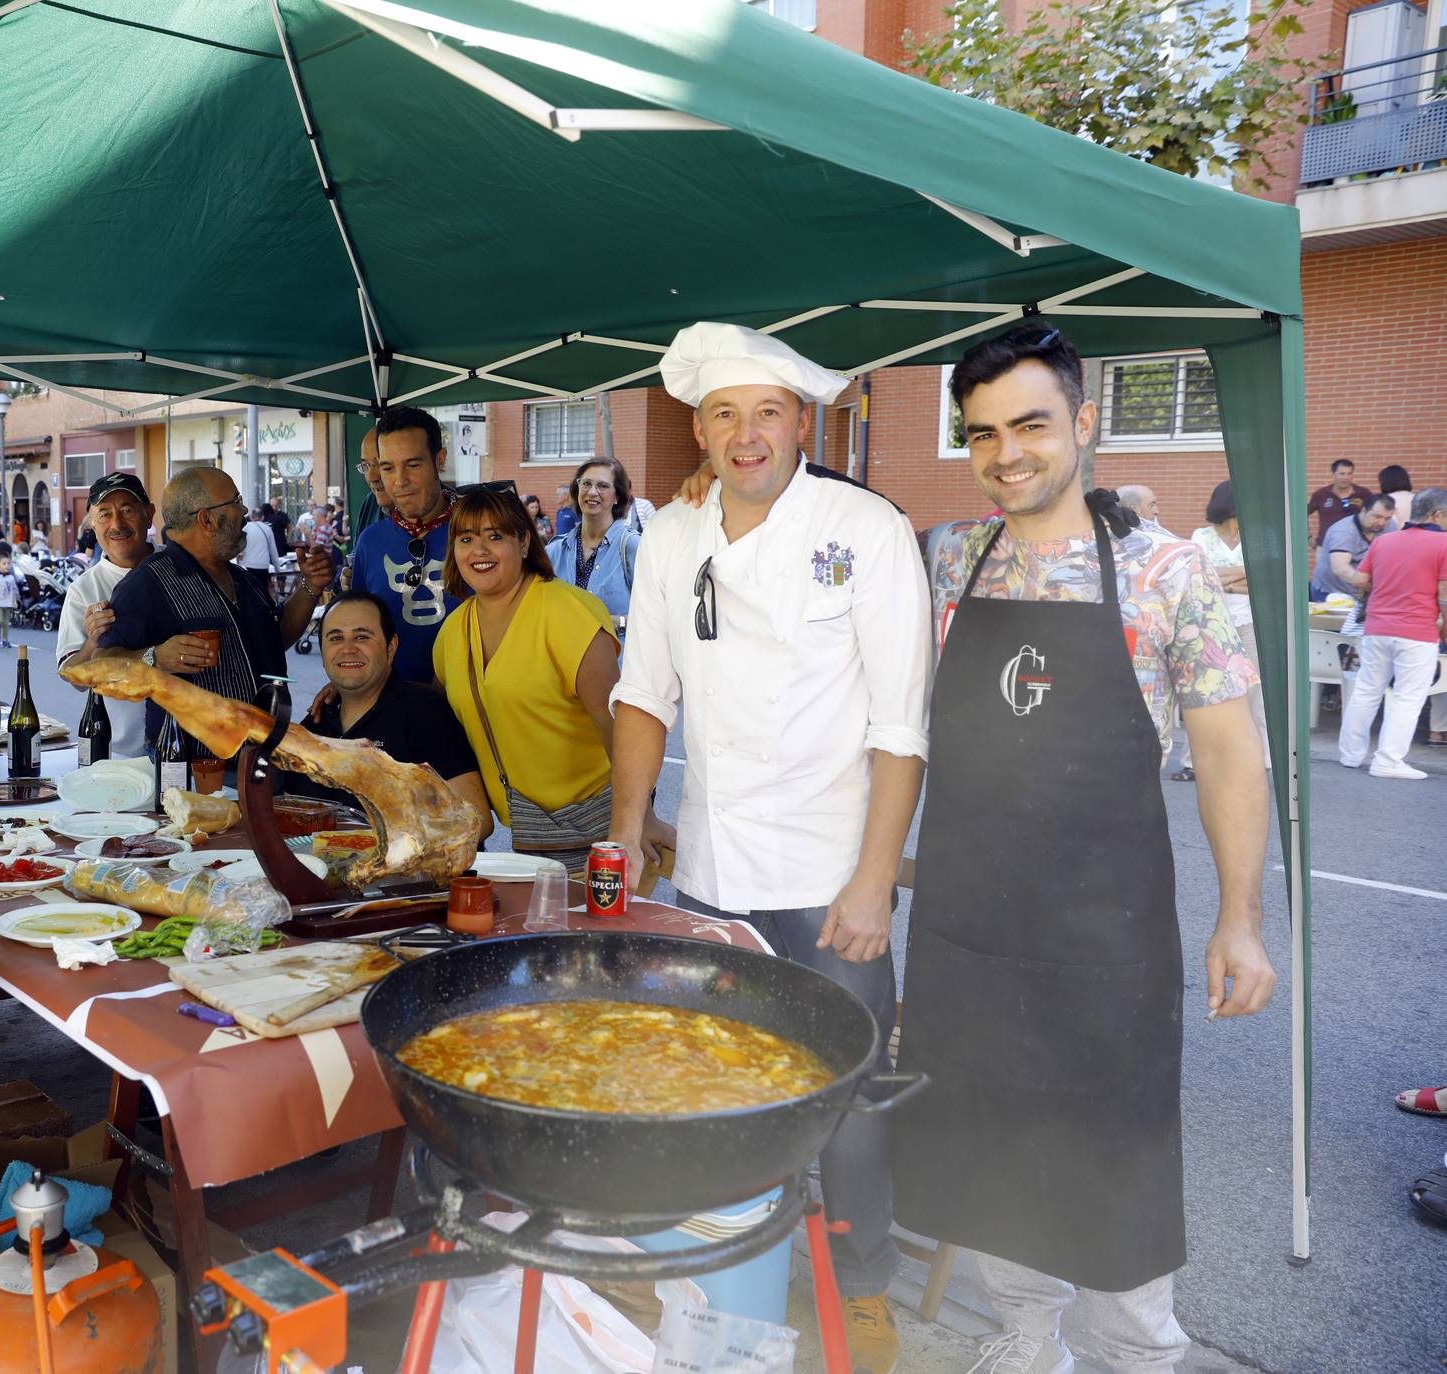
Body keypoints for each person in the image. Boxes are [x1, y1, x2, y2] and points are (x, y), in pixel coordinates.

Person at [899, 325, 1273, 1374]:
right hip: (969, 927)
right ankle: (1025, 1335)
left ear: (1084, 422)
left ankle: (1137, 1353)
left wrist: (1238, 918)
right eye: (981, 434)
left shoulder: (1169, 574)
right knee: (984, 1142)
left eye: (1030, 424)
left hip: (1107, 935)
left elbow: (1232, 755)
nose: (1005, 453)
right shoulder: (945, 560)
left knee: (1117, 1161)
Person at [610, 322, 930, 1374]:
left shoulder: (866, 528)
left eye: (766, 412)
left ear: (802, 420)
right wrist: (623, 835)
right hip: (711, 868)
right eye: (722, 414)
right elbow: (641, 696)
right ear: (698, 429)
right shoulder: (669, 536)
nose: (745, 435)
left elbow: (899, 726)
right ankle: (713, 1269)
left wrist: (875, 882)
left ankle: (866, 1286)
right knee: (710, 1082)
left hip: (835, 872)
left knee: (851, 1098)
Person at [432, 487, 671, 870]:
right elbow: (435, 718)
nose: (479, 550)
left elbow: (621, 727)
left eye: (496, 536)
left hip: (603, 832)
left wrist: (639, 819)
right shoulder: (453, 630)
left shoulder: (568, 613)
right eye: (466, 539)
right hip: (531, 837)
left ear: (524, 542)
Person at [96, 468, 332, 758]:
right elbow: (101, 665)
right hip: (191, 769)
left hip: (261, 754)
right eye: (236, 501)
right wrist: (154, 657)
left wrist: (311, 585)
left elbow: (277, 635)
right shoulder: (147, 584)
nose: (244, 511)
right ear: (206, 519)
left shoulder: (240, 578)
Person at [280, 590, 491, 837]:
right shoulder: (317, 722)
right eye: (336, 638)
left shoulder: (424, 713)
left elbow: (477, 821)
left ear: (391, 647)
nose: (348, 649)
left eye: (362, 637)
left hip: (411, 873)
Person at [1339, 487, 1447, 779]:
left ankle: (1350, 755)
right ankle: (1387, 761)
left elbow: (1362, 579)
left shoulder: (1384, 541)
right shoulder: (1444, 544)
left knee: (1366, 690)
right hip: (1417, 630)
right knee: (1407, 697)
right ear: (1437, 514)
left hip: (1376, 627)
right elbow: (1444, 594)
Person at [354, 407, 462, 681]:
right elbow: (358, 630)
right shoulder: (370, 541)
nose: (400, 482)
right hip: (393, 706)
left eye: (413, 465)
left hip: (471, 707)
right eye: (388, 468)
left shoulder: (477, 532)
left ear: (439, 460)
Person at [57, 475, 159, 758]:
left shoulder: (177, 568)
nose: (117, 524)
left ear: (149, 515)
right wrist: (93, 643)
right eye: (104, 514)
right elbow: (74, 678)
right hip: (119, 754)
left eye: (127, 510)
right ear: (92, 523)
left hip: (188, 747)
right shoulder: (83, 590)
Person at [1182, 481, 1269, 773]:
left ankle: (1254, 760)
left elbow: (1266, 578)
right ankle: (1193, 761)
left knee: (1255, 691)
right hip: (1208, 622)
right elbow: (1199, 575)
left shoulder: (1260, 537)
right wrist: (1245, 576)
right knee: (1206, 687)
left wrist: (1223, 581)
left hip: (1249, 621)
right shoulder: (1202, 537)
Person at [546, 458, 644, 620]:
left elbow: (655, 615)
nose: (592, 492)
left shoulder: (632, 547)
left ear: (617, 497)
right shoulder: (555, 551)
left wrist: (616, 622)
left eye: (603, 486)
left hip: (617, 645)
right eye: (586, 484)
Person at [1310, 495, 1396, 601]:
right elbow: (1340, 568)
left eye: (1387, 518)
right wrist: (1373, 587)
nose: (1381, 523)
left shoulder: (1390, 526)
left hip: (1364, 591)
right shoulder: (1343, 531)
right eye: (1377, 517)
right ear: (1363, 511)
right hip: (1331, 592)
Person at [1309, 459, 1373, 548]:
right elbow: (1302, 514)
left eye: (1349, 474)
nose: (1346, 477)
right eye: (1342, 474)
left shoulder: (1363, 493)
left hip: (1356, 547)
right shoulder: (1321, 494)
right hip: (1326, 546)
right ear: (1333, 474)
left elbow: (1374, 514)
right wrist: (1308, 537)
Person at [238, 503, 279, 600]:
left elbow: (239, 546)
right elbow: (273, 551)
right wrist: (278, 569)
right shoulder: (267, 529)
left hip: (247, 565)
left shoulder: (245, 528)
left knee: (250, 593)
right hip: (263, 565)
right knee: (263, 592)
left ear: (251, 517)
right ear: (262, 517)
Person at [0, 554, 22, 649]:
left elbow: (14, 590)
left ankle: (5, 640)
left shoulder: (11, 577)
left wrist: (15, 601)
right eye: (4, 563)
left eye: (8, 563)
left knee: (6, 622)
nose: (7, 565)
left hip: (8, 602)